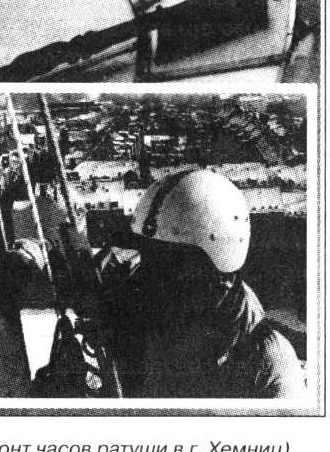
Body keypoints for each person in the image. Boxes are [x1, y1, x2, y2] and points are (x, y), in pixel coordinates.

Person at [101, 168, 306, 399]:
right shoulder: (164, 316)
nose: (149, 276)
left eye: (169, 262)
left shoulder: (267, 362)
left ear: (213, 268)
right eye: (149, 256)